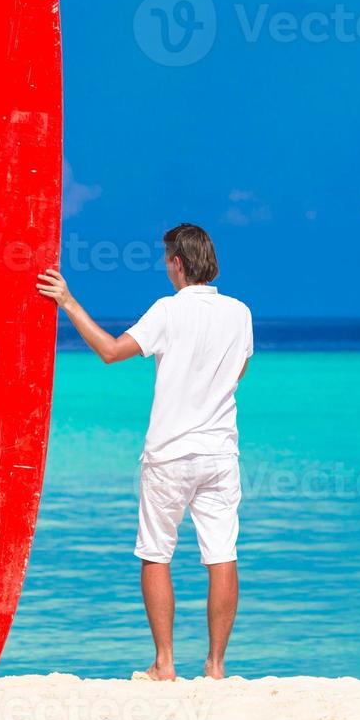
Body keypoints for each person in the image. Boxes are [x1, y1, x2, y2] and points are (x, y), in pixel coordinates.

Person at [37, 224, 253, 680]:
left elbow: (112, 352)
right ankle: (215, 667)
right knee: (222, 555)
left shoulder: (167, 311)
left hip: (170, 453)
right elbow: (238, 372)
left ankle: (165, 663)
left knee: (157, 553)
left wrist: (67, 302)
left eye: (166, 260)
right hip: (219, 452)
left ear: (177, 262)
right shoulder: (240, 312)